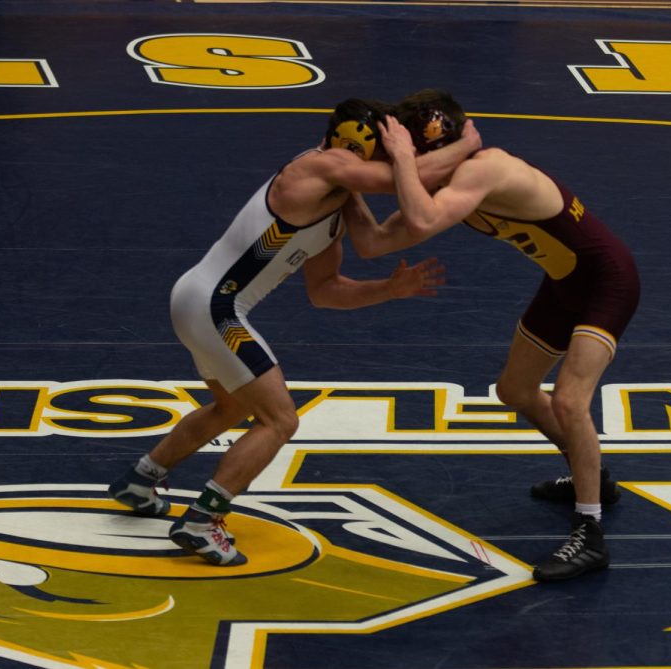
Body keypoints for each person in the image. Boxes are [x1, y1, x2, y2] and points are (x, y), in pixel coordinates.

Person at [108, 97, 482, 566]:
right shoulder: (317, 168)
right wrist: (467, 144)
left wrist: (389, 288)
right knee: (281, 420)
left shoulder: (338, 195)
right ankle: (203, 520)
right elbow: (410, 178)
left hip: (201, 303)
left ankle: (140, 479)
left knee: (231, 407)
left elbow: (329, 287)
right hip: (216, 308)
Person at [344, 89, 640, 581]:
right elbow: (373, 244)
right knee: (514, 391)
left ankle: (590, 531)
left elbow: (418, 216)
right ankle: (594, 478)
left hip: (608, 281)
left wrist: (396, 157)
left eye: (412, 152)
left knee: (569, 401)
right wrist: (344, 182)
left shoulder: (486, 169)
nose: (406, 161)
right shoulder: (455, 179)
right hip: (566, 282)